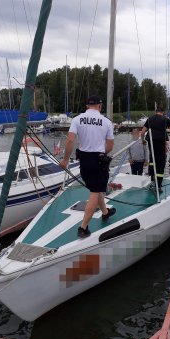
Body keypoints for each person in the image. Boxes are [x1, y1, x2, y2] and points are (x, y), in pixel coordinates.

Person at [60, 95, 116, 238]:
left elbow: (70, 141)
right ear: (100, 105)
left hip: (83, 160)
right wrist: (102, 153)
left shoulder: (77, 119)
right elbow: (110, 145)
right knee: (95, 193)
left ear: (87, 106)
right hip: (98, 159)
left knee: (94, 188)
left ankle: (105, 212)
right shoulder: (107, 122)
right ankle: (83, 227)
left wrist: (65, 159)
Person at [140, 106, 170, 192]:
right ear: (163, 112)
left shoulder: (149, 119)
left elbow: (142, 132)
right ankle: (158, 185)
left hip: (151, 142)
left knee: (152, 160)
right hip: (160, 142)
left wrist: (143, 140)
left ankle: (152, 179)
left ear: (155, 112)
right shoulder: (165, 119)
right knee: (160, 163)